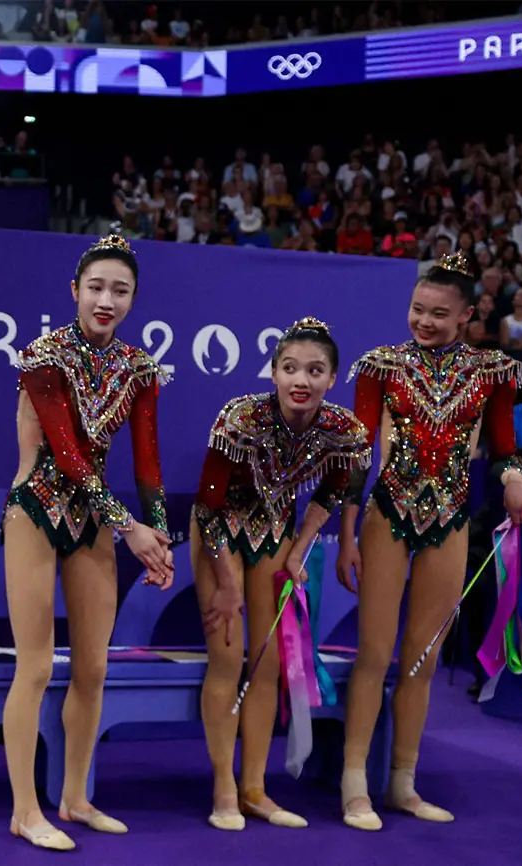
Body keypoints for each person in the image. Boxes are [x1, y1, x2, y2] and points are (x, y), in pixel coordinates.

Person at [337, 253, 522, 831]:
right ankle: (355, 785)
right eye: (417, 310)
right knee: (374, 655)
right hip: (386, 517)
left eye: (439, 314)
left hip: (449, 522)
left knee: (421, 662)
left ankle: (403, 781)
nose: (424, 321)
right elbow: (356, 456)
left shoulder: (493, 372)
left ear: (468, 314)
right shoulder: (381, 365)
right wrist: (348, 536)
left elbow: (502, 447)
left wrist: (514, 476)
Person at [0, 235, 173, 851]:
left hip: (97, 522)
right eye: (95, 287)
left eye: (119, 291)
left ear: (133, 299)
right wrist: (132, 529)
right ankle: (25, 809)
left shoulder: (139, 369)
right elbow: (68, 457)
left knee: (94, 668)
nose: (106, 300)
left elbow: (147, 463)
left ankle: (75, 797)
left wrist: (159, 532)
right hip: (36, 510)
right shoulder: (43, 356)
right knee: (38, 666)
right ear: (74, 291)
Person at [192, 318, 372, 832]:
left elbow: (332, 492)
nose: (302, 380)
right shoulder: (239, 417)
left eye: (315, 371)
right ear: (273, 372)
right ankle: (224, 786)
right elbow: (207, 506)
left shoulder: (343, 430)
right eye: (290, 368)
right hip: (219, 531)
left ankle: (255, 788)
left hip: (274, 532)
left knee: (267, 662)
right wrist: (227, 584)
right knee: (228, 659)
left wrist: (301, 547)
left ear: (332, 378)